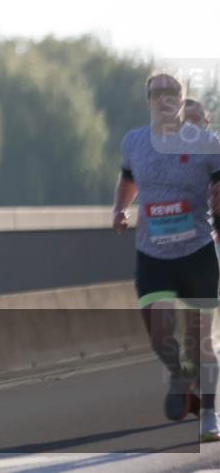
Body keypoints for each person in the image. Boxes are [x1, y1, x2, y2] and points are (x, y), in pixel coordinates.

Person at [112, 73, 220, 442]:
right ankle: (177, 373)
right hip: (152, 254)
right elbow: (128, 180)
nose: (164, 99)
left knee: (202, 338)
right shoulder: (134, 142)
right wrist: (119, 210)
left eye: (171, 93)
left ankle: (209, 413)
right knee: (159, 333)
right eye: (156, 93)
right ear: (148, 102)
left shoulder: (207, 143)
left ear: (181, 98)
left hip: (197, 253)